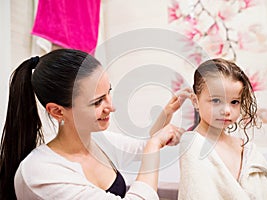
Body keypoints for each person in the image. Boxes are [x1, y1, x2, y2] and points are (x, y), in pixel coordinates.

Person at [0, 49, 186, 200]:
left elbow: (143, 147)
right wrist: (154, 144)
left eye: (108, 93)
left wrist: (166, 115)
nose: (111, 107)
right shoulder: (41, 172)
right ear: (57, 111)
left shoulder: (99, 141)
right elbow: (150, 148)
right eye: (97, 102)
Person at [176, 58, 267, 199]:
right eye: (216, 100)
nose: (227, 110)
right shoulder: (194, 145)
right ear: (195, 101)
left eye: (234, 102)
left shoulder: (245, 148)